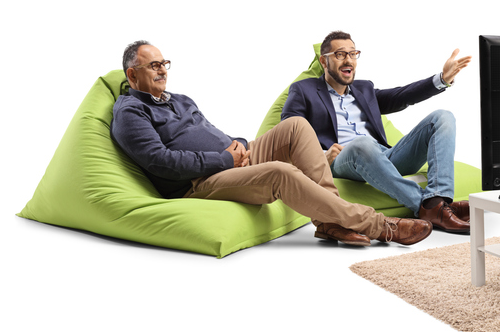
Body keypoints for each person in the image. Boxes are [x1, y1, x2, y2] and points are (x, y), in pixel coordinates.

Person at [110, 40, 432, 247]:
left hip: (234, 157)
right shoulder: (130, 112)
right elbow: (161, 162)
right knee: (280, 172)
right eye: (154, 66)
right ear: (132, 74)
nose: (163, 70)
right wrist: (225, 159)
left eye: (165, 63)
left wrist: (236, 145)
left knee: (295, 126)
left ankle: (330, 222)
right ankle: (379, 226)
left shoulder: (179, 99)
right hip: (199, 181)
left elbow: (208, 130)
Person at [281, 31, 472, 234]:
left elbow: (401, 96)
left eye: (353, 54)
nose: (349, 60)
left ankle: (438, 198)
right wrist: (321, 157)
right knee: (363, 144)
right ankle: (430, 208)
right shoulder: (304, 90)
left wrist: (442, 79)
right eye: (340, 54)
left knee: (442, 117)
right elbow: (290, 133)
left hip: (382, 156)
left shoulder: (364, 88)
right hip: (341, 158)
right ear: (324, 61)